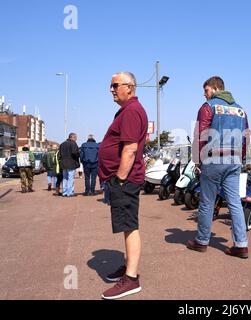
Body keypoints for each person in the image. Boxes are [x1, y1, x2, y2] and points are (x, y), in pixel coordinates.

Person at [187, 76, 250, 259]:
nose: (204, 95)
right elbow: (246, 137)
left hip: (213, 159)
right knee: (235, 203)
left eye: (206, 90)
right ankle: (241, 245)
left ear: (215, 88)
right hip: (234, 160)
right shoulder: (240, 110)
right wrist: (242, 157)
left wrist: (197, 160)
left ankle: (202, 241)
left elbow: (201, 134)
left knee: (207, 202)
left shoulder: (208, 107)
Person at [99, 72, 148, 300]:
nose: (111, 89)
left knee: (129, 224)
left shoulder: (131, 111)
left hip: (125, 180)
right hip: (124, 179)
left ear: (129, 87)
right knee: (127, 224)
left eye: (114, 85)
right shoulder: (128, 110)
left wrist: (119, 179)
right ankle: (129, 267)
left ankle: (131, 279)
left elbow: (129, 149)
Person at [58, 133, 80, 197]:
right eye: (76, 137)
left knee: (65, 178)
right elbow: (74, 152)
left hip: (63, 163)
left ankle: (64, 192)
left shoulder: (62, 144)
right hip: (71, 163)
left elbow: (59, 154)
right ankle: (70, 192)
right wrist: (78, 154)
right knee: (70, 178)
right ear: (72, 137)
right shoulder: (73, 143)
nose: (76, 139)